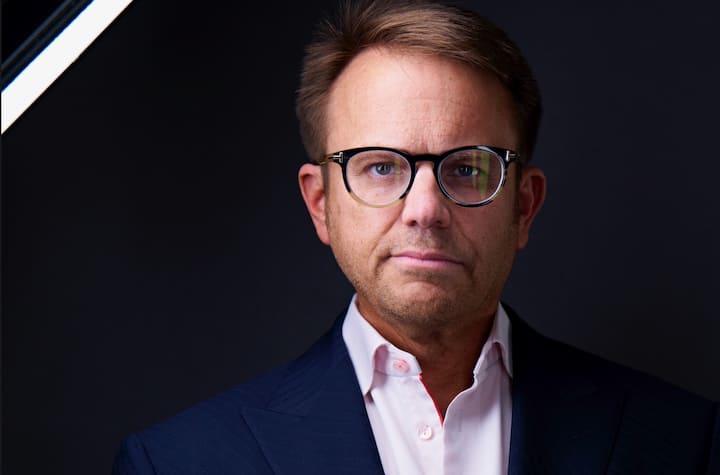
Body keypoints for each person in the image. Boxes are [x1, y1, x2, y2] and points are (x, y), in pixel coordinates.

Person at [113, 1, 719, 473]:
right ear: (321, 204)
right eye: (381, 166)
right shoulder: (175, 464)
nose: (424, 210)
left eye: (468, 168)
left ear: (524, 206)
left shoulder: (687, 444)